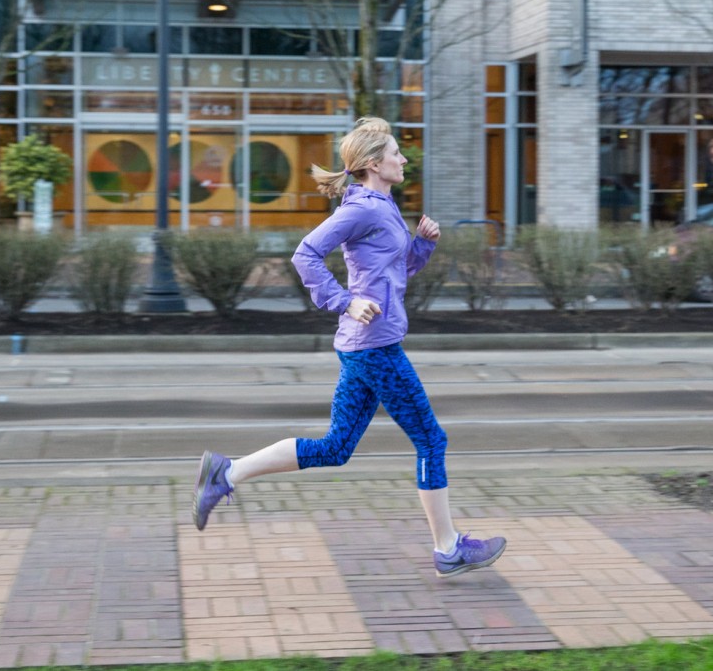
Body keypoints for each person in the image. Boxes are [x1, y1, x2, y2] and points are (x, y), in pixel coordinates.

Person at [191, 117, 507, 578]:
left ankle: (226, 473)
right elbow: (305, 254)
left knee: (337, 447)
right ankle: (448, 547)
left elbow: (390, 274)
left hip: (367, 344)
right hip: (375, 347)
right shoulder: (363, 209)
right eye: (397, 153)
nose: (404, 159)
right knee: (431, 440)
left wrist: (421, 246)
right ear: (375, 163)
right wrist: (343, 301)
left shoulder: (381, 204)